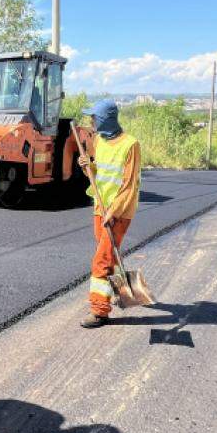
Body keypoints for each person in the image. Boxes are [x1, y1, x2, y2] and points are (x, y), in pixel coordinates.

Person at [76, 99, 141, 329]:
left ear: (104, 119)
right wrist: (87, 165)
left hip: (118, 211)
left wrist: (113, 212)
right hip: (99, 206)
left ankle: (99, 311)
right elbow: (98, 174)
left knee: (101, 261)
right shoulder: (99, 140)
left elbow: (130, 185)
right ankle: (119, 289)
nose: (91, 121)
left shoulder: (130, 145)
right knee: (108, 256)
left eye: (94, 117)